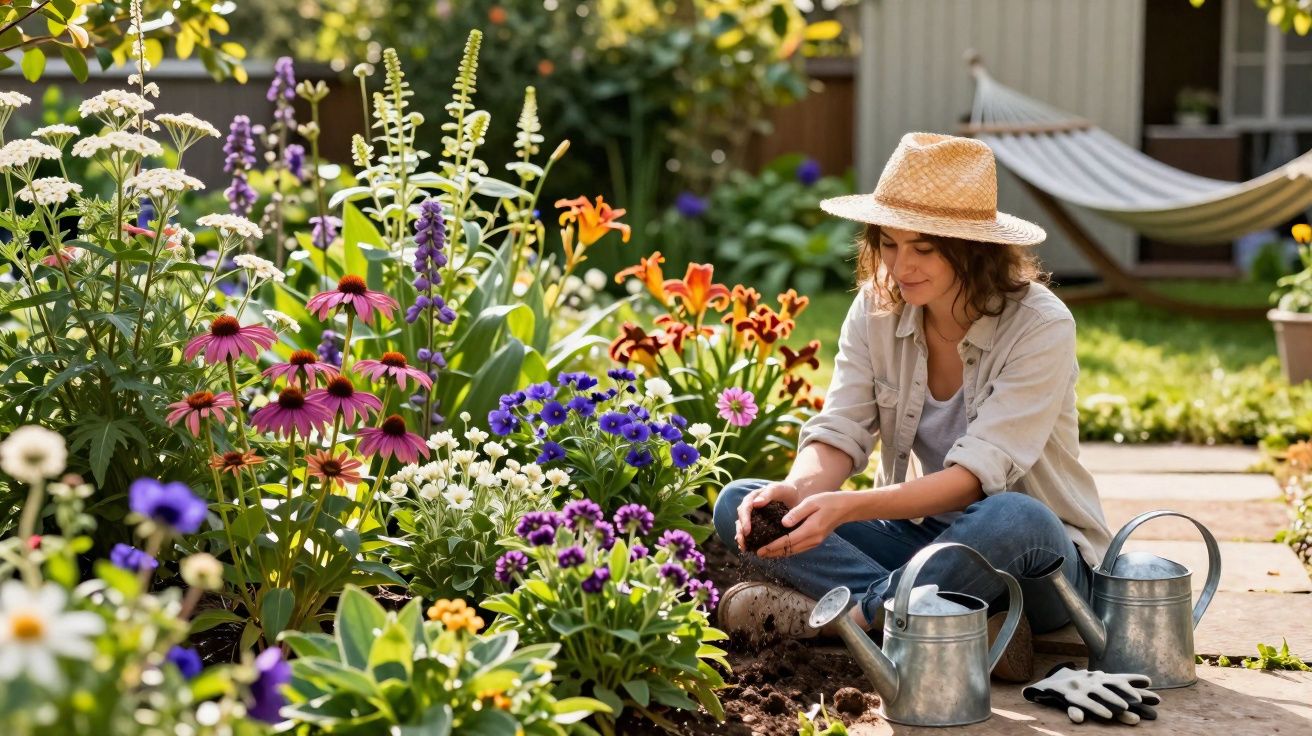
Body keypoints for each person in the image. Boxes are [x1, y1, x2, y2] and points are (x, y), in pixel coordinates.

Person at [712, 132, 1112, 682]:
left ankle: (852, 617)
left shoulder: (1041, 325)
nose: (901, 266)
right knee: (744, 504)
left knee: (1015, 515)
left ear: (976, 248)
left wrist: (845, 507)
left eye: (924, 247)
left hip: (1037, 564)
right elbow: (840, 429)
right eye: (889, 243)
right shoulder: (875, 309)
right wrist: (800, 491)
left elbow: (976, 481)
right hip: (922, 540)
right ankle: (952, 620)